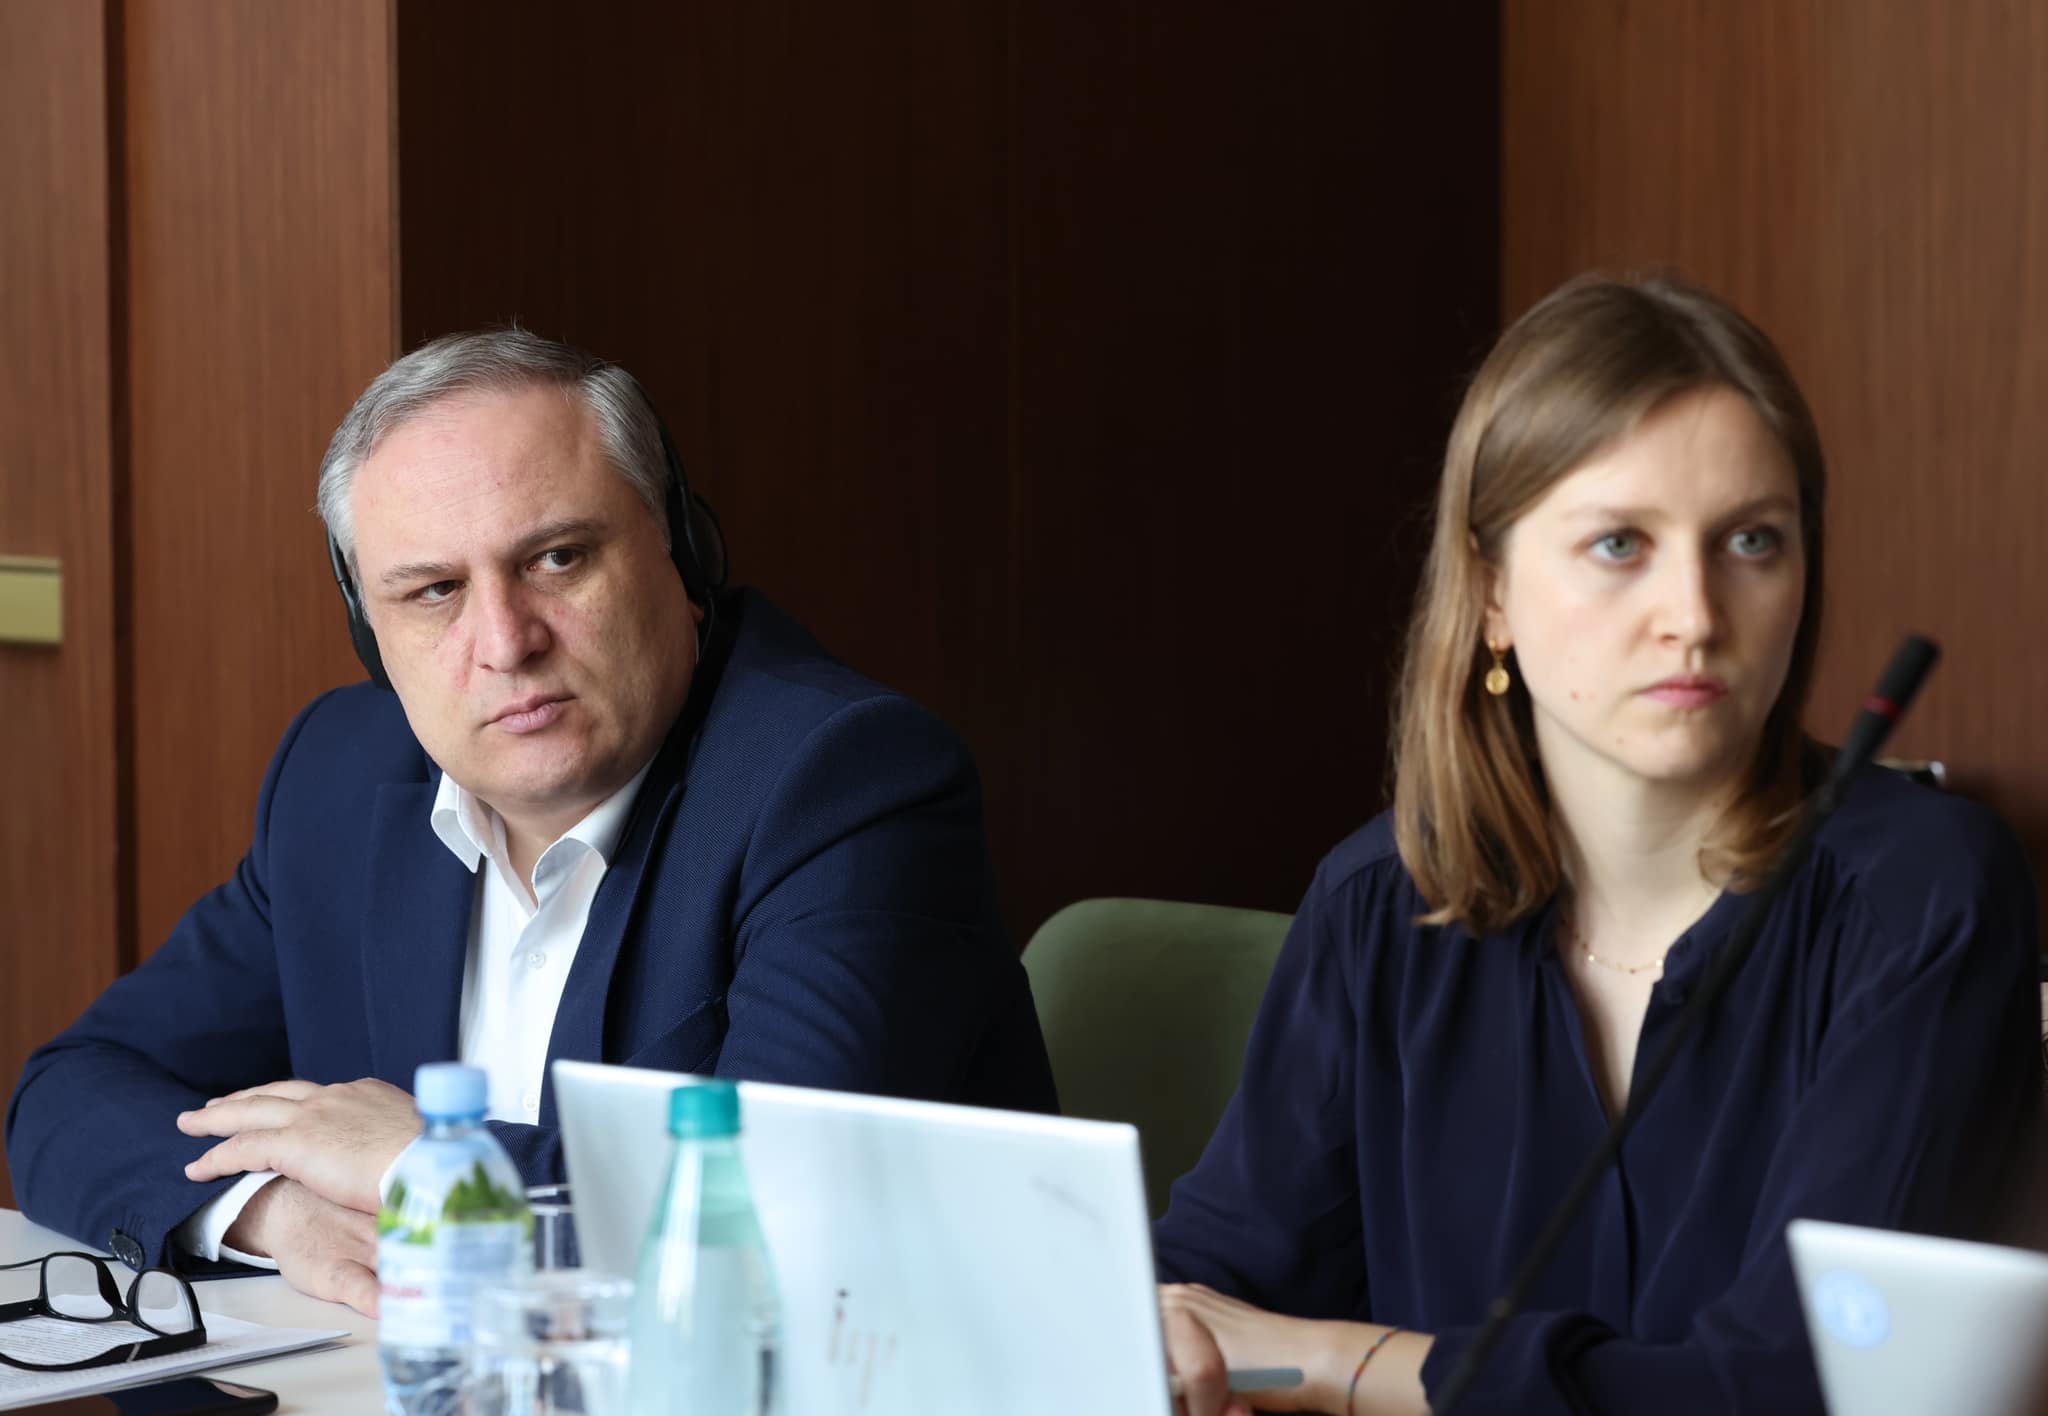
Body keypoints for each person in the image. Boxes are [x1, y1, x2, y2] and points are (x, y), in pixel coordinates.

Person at [5, 329, 1058, 1315]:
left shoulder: (846, 781)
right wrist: (272, 1211)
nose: (506, 643)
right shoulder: (339, 779)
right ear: (370, 636)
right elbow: (69, 1092)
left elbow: (774, 1208)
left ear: (685, 555)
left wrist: (426, 1165)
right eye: (433, 591)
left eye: (557, 559)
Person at [1152, 274, 2041, 1416]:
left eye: (1751, 541)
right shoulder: (1379, 901)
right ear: (1490, 594)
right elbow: (1212, 1289)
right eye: (1620, 543)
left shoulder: (1922, 898)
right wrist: (1168, 1331)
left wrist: (1341, 1363)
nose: (1696, 616)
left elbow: (1791, 1386)